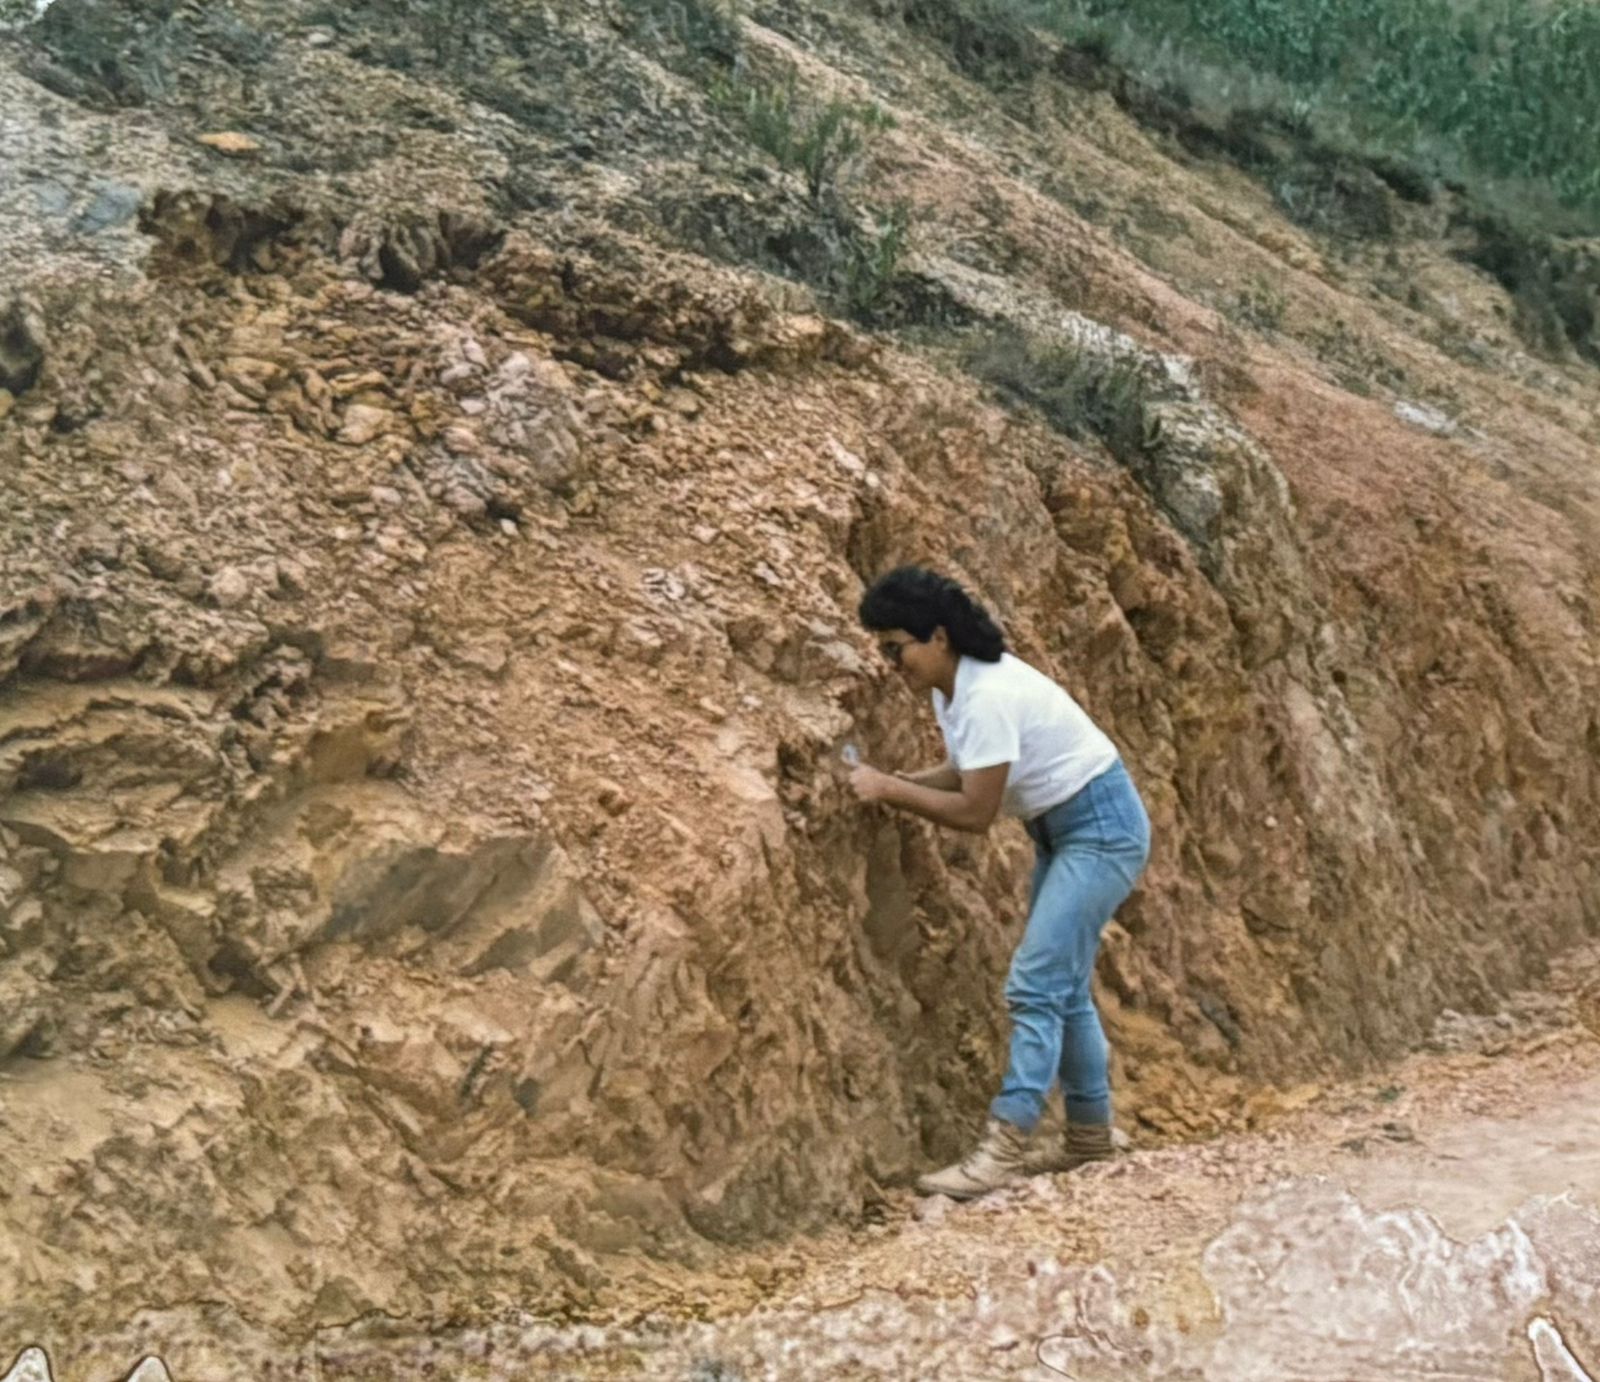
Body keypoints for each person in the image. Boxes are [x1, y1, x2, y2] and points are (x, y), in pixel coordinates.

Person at [849, 565, 1151, 1199]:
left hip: (1100, 831)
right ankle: (1091, 1138)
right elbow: (966, 772)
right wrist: (892, 779)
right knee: (1062, 988)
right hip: (1067, 830)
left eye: (895, 647)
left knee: (1036, 983)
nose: (889, 662)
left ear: (936, 637)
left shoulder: (985, 695)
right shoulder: (954, 688)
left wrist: (889, 789)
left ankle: (1003, 1148)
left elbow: (976, 813)